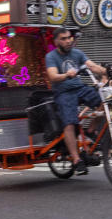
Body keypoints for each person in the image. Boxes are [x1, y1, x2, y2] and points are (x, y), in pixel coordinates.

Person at [45, 27, 108, 175]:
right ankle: (76, 160)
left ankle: (91, 130)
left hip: (80, 88)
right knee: (69, 123)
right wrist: (66, 74)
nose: (68, 41)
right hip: (63, 92)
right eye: (64, 39)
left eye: (69, 38)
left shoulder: (77, 53)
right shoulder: (51, 56)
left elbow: (92, 66)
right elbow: (52, 76)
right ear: (56, 41)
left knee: (106, 101)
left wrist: (109, 70)